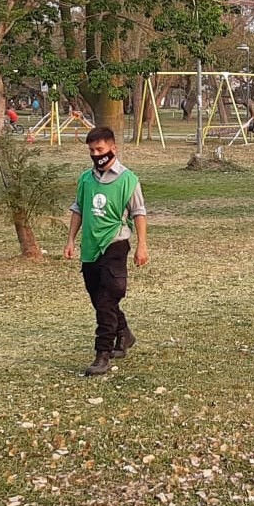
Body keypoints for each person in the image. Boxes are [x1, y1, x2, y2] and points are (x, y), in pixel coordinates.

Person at [63, 126, 148, 376]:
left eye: (100, 149)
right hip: (90, 248)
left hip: (116, 243)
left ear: (113, 148)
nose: (96, 154)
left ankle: (102, 353)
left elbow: (139, 213)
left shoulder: (128, 179)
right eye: (91, 150)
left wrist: (142, 245)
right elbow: (78, 209)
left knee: (109, 296)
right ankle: (124, 334)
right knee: (100, 300)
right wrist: (70, 240)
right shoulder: (86, 179)